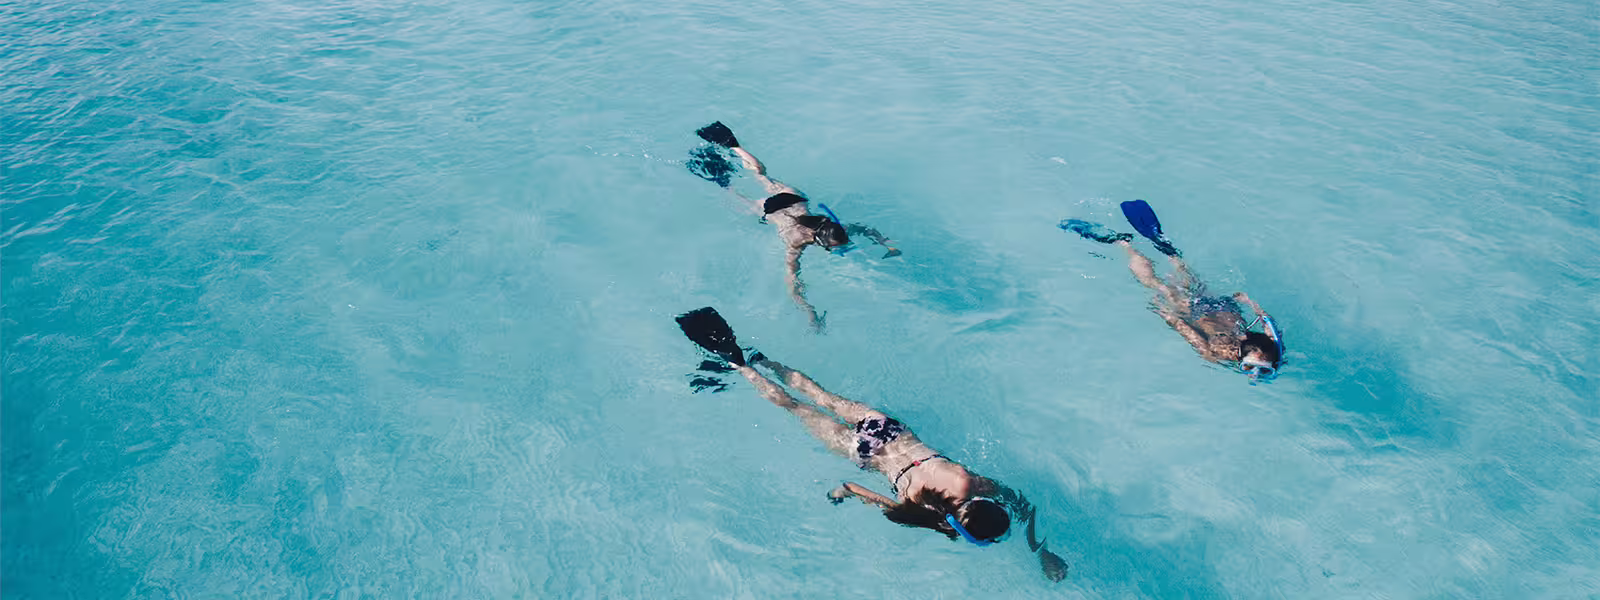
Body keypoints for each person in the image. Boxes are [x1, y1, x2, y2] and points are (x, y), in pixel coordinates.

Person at [674, 307, 1069, 582]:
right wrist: (837, 493)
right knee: (793, 407)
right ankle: (740, 365)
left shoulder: (968, 482)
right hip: (866, 454)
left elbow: (1020, 503)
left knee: (818, 393)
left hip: (889, 430)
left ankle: (761, 359)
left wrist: (1032, 540)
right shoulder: (925, 512)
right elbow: (854, 489)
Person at [691, 122, 900, 331]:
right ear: (819, 242)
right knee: (733, 194)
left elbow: (866, 229)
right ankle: (718, 177)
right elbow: (792, 281)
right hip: (770, 211)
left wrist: (888, 245)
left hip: (793, 197)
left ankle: (734, 146)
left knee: (760, 173)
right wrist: (810, 314)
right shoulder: (797, 241)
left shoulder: (831, 226)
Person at [1062, 200, 1285, 382]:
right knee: (1155, 284)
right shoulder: (1216, 355)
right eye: (1252, 368)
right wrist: (1167, 314)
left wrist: (1248, 302)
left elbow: (1265, 319)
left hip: (1223, 305)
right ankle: (1123, 243)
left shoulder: (1271, 343)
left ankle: (1169, 251)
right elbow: (1186, 331)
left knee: (1188, 275)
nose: (1253, 375)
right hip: (1193, 311)